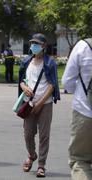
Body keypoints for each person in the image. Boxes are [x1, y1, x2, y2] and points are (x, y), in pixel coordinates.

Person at [18, 33, 60, 177]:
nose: (33, 46)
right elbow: (21, 80)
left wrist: (41, 103)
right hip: (28, 103)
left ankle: (41, 165)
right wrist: (23, 87)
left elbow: (52, 85)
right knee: (28, 134)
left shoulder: (50, 63)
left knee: (44, 135)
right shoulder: (26, 61)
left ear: (43, 46)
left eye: (36, 44)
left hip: (45, 104)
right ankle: (31, 155)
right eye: (32, 43)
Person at [62, 39, 92, 180]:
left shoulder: (84, 46)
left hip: (85, 111)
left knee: (80, 161)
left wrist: (80, 90)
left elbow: (67, 82)